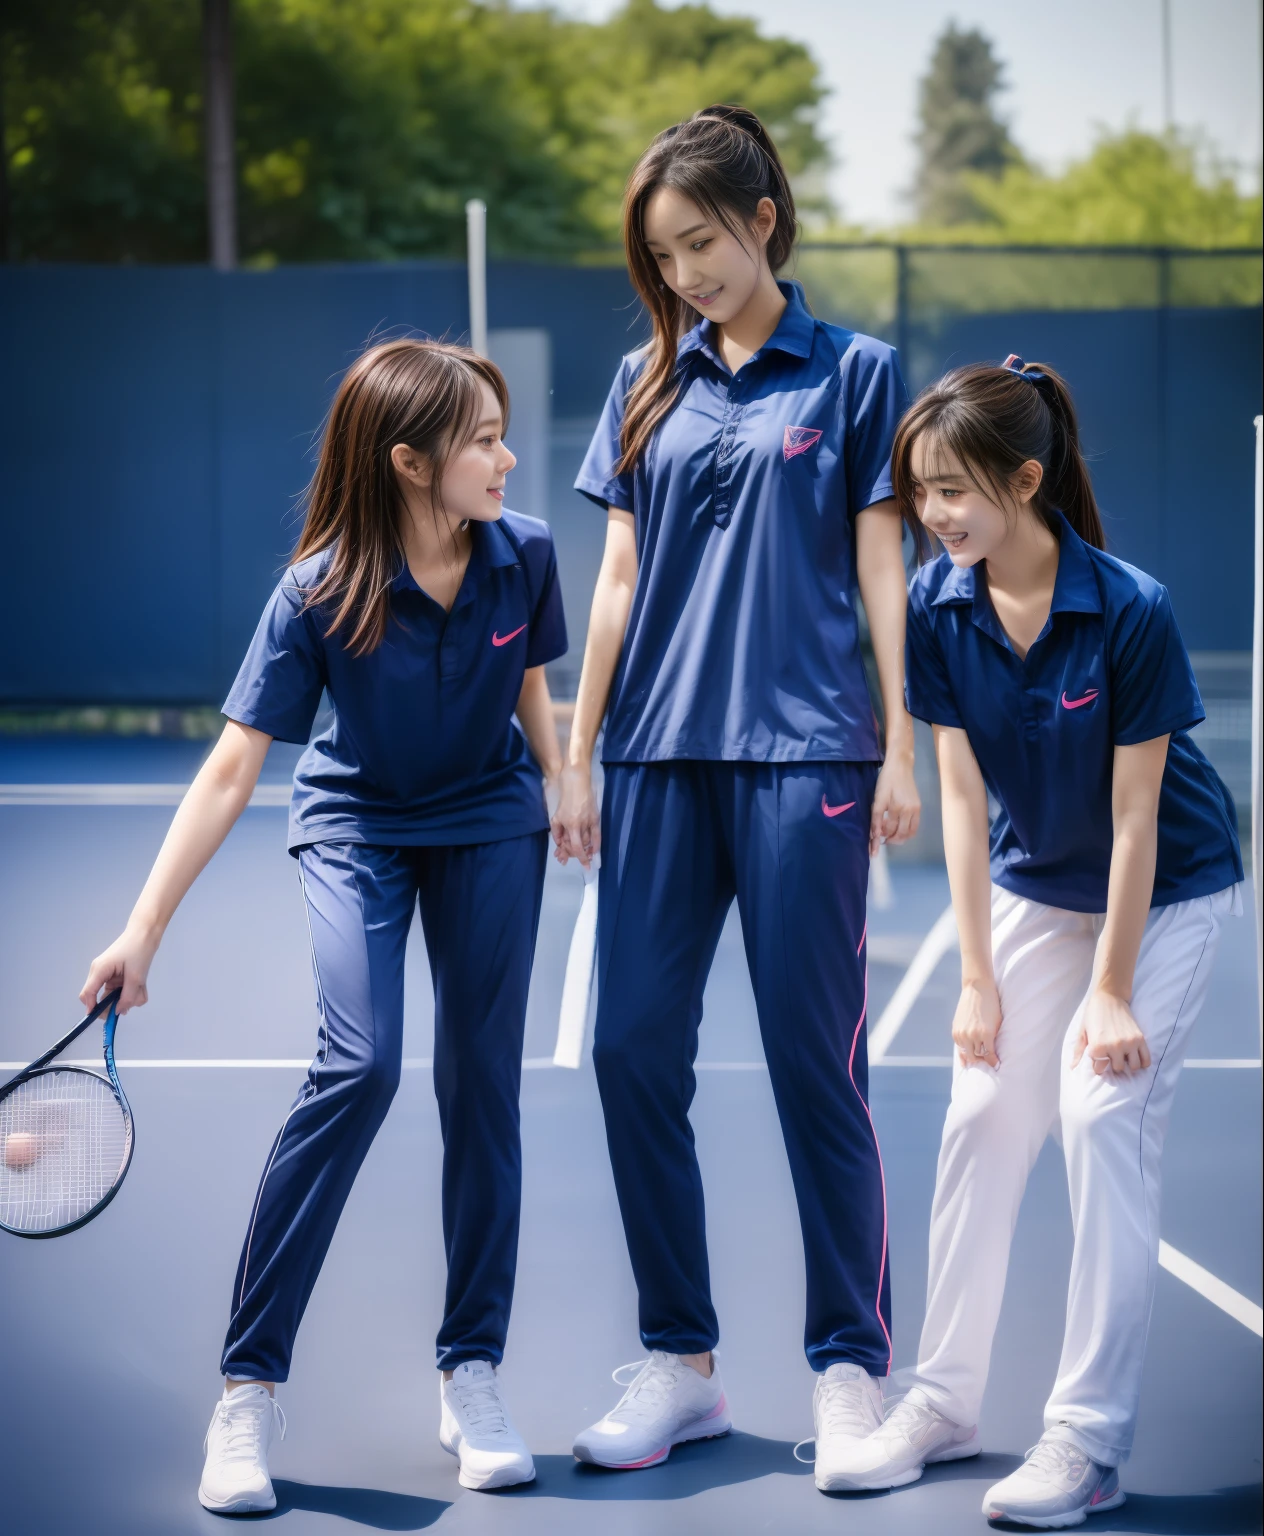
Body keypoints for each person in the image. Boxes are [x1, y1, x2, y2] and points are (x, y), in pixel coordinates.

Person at [79, 339, 567, 1511]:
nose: (506, 457)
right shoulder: (315, 591)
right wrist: (141, 931)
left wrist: (566, 784)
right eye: (482, 440)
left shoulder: (526, 554)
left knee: (482, 1085)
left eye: (503, 432)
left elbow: (527, 682)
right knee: (358, 1064)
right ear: (408, 461)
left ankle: (471, 1371)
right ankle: (245, 1395)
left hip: (491, 822)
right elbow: (232, 767)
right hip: (357, 826)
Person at [551, 104, 921, 1491]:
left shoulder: (860, 373)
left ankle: (847, 1367)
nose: (688, 274)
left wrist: (897, 739)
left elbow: (884, 566)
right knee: (631, 1050)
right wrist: (581, 752)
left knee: (814, 1067)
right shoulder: (646, 379)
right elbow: (618, 585)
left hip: (811, 756)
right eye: (664, 256)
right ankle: (681, 1365)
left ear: (764, 220)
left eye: (701, 243)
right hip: (653, 758)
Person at [827, 357, 1243, 1527]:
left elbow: (1135, 817)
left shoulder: (1130, 609)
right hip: (1031, 892)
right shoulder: (935, 601)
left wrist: (1108, 992)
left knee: (1102, 1116)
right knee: (980, 1111)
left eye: (956, 489)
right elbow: (960, 801)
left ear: (1026, 477)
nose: (935, 514)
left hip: (1162, 894)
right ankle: (946, 1404)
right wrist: (974, 975)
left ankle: (1086, 1440)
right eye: (919, 493)